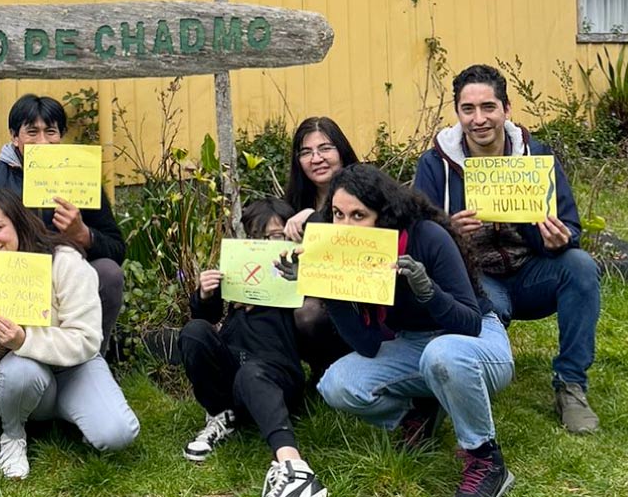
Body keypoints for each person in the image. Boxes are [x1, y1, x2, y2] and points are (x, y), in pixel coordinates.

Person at [289, 165, 514, 497]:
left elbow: (470, 322)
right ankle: (419, 413)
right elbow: (367, 345)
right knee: (337, 384)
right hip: (413, 344)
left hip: (476, 342)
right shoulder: (350, 255)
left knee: (443, 354)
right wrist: (326, 287)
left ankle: (485, 458)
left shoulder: (426, 236)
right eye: (338, 214)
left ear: (383, 215)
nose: (345, 225)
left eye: (358, 215)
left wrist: (427, 291)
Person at [413, 64, 601, 435]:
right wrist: (448, 232)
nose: (479, 119)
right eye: (468, 109)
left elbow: (570, 225)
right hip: (476, 279)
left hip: (532, 272)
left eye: (488, 107)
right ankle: (448, 389)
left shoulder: (536, 157)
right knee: (482, 305)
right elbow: (416, 235)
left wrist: (558, 239)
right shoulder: (435, 164)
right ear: (457, 113)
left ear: (507, 109)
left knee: (580, 265)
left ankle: (571, 385)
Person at [0, 188, 139, 480]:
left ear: (18, 223)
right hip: (28, 375)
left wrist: (25, 340)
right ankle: (13, 436)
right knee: (18, 372)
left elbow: (87, 339)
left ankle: (75, 411)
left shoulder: (64, 260)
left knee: (118, 435)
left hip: (76, 367)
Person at [178, 197, 327, 497]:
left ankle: (294, 468)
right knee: (195, 332)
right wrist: (206, 295)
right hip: (234, 368)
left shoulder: (303, 275)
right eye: (257, 237)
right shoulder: (238, 270)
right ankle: (221, 415)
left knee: (253, 373)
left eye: (275, 237)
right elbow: (206, 318)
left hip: (277, 374)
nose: (266, 245)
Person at [0, 94, 125, 351]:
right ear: (14, 136)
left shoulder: (80, 178)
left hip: (65, 280)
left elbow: (117, 249)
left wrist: (82, 233)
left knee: (109, 273)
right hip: (10, 284)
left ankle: (92, 356)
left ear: (61, 135)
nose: (43, 142)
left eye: (50, 132)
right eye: (32, 132)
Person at [282, 116, 360, 381]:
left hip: (357, 293)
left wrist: (313, 218)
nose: (316, 158)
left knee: (308, 314)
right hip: (308, 287)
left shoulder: (365, 187)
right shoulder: (294, 200)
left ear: (341, 150)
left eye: (325, 148)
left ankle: (337, 372)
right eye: (306, 152)